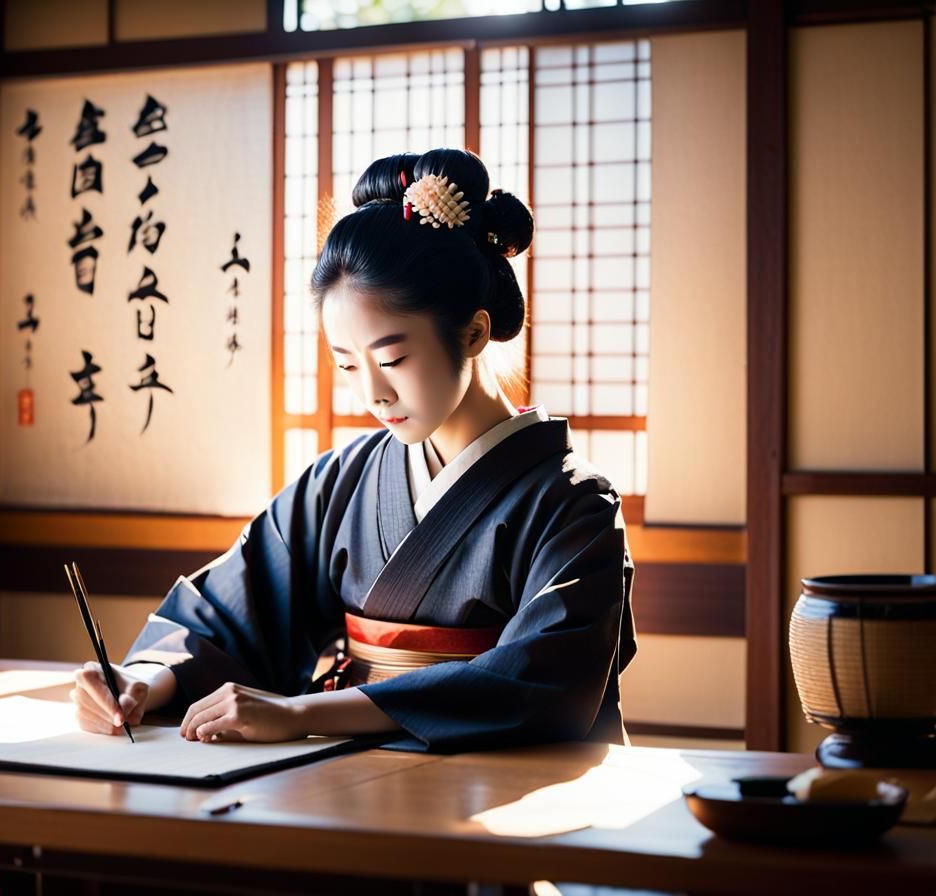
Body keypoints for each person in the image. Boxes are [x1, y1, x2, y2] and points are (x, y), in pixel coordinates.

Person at [71, 148, 636, 752]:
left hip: (508, 785)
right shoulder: (341, 482)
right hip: (355, 779)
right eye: (346, 364)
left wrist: (305, 712)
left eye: (392, 358)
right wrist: (146, 682)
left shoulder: (574, 504)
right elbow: (230, 615)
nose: (372, 392)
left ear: (472, 333)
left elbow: (542, 681)